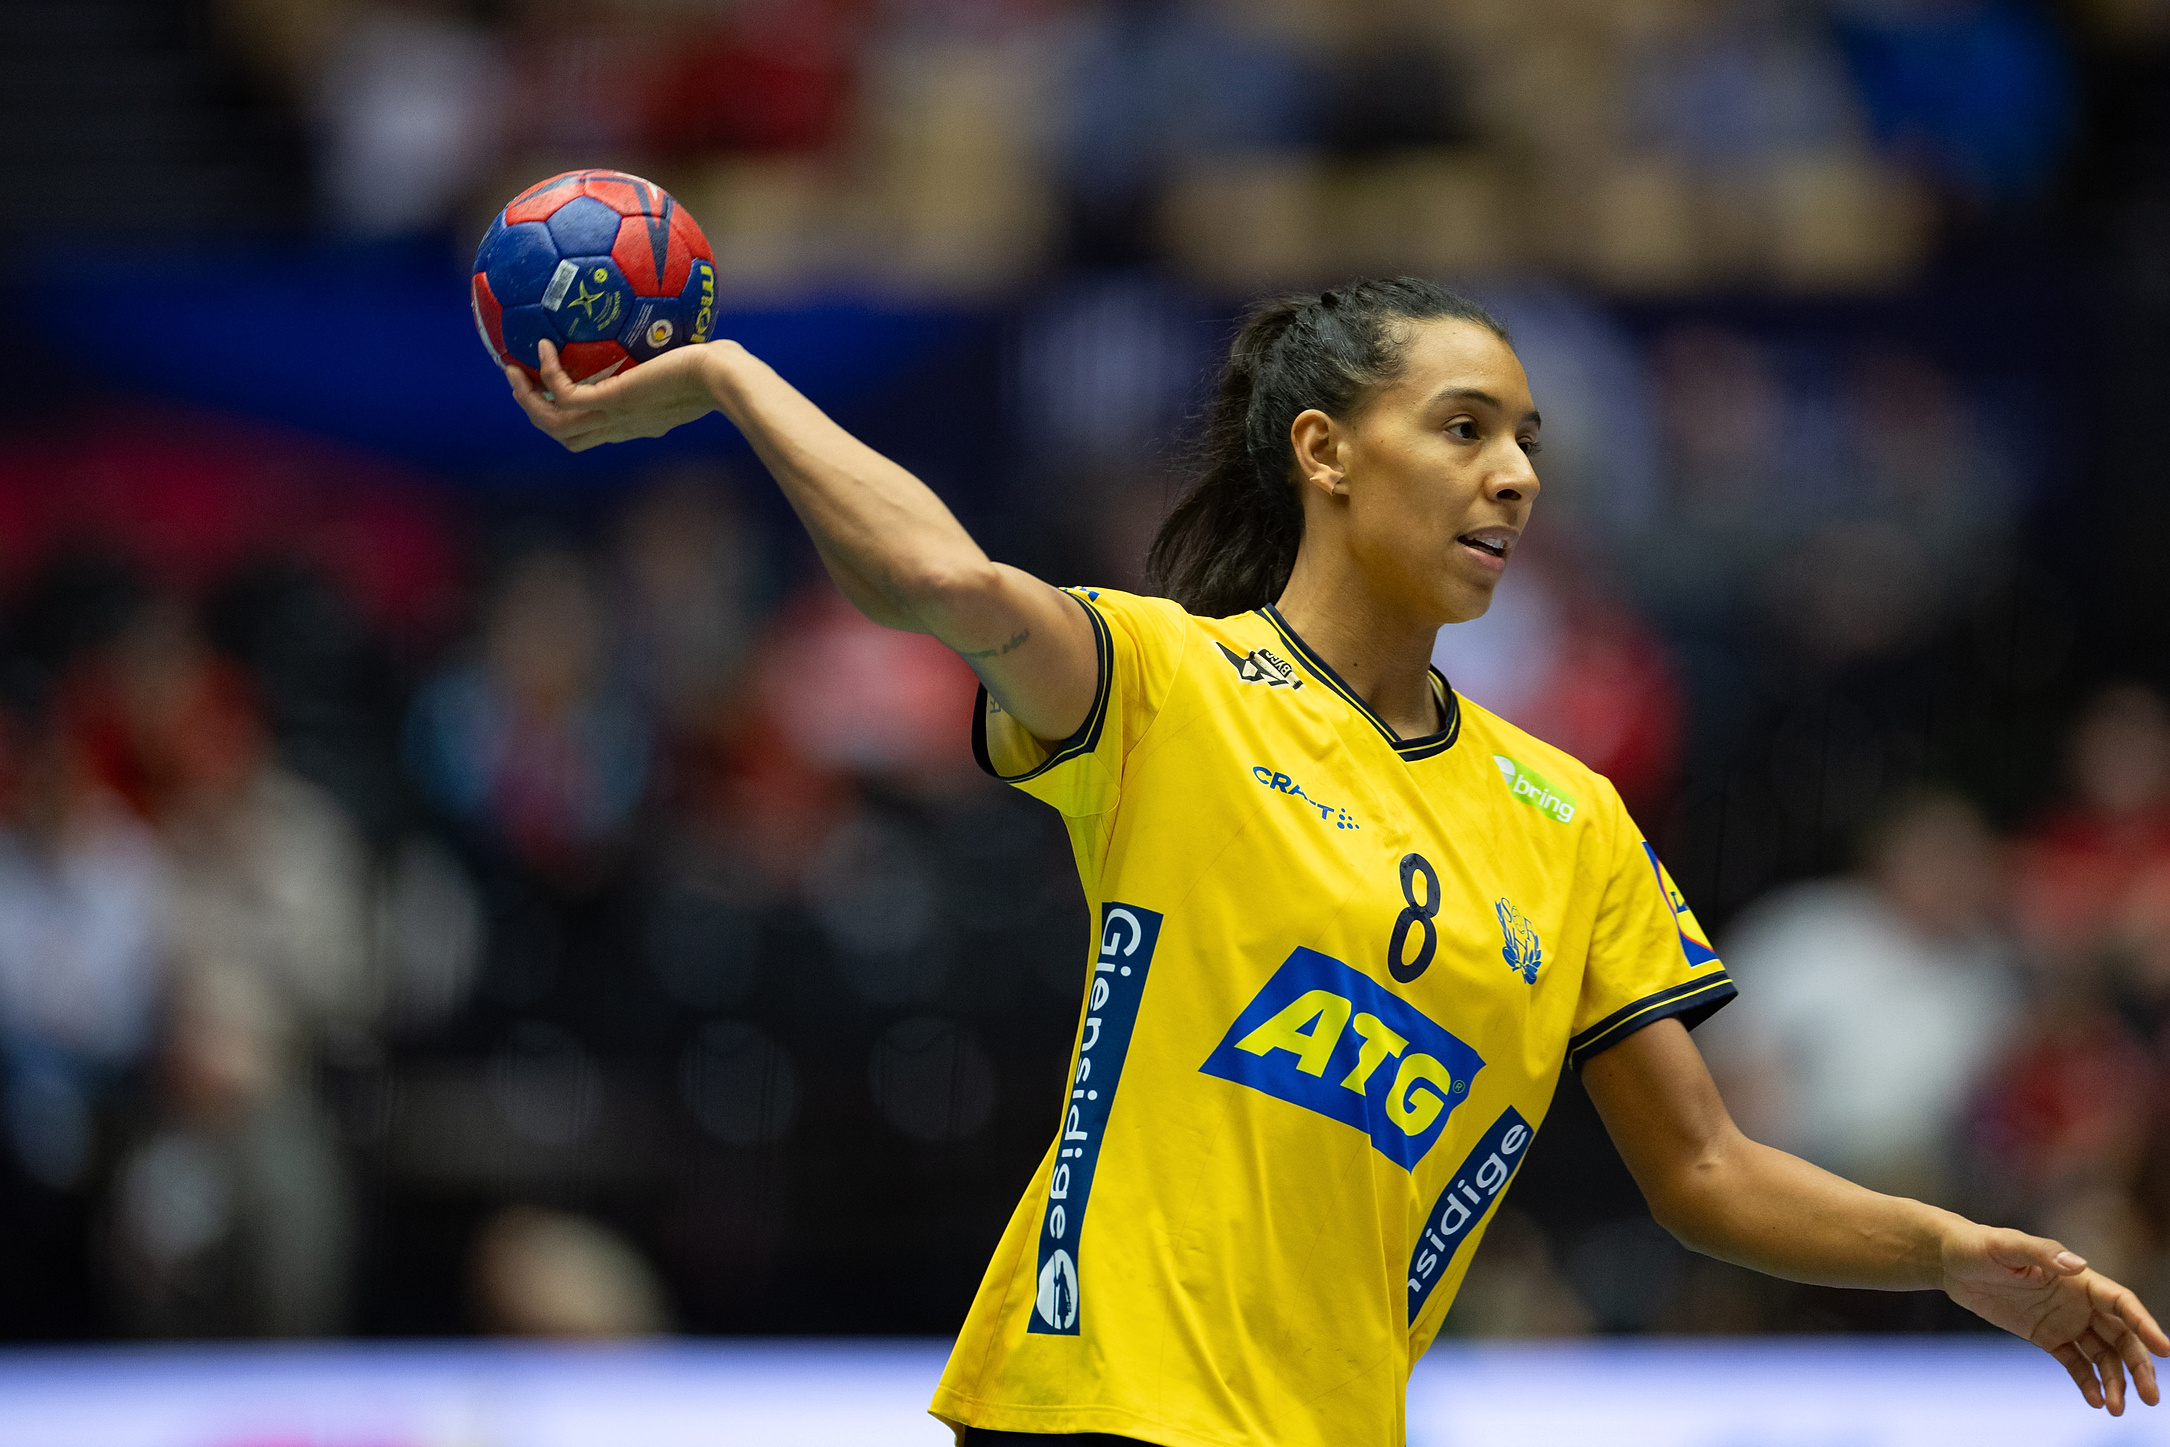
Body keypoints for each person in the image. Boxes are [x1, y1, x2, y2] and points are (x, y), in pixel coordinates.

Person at [504, 277, 2165, 1446]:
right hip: (1094, 1411)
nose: (1514, 473)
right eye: (1461, 428)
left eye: (1526, 439)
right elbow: (934, 577)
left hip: (1339, 1435)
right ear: (1322, 452)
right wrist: (727, 379)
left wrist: (1953, 1254)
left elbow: (1708, 1175)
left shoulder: (1570, 816)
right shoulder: (1172, 689)